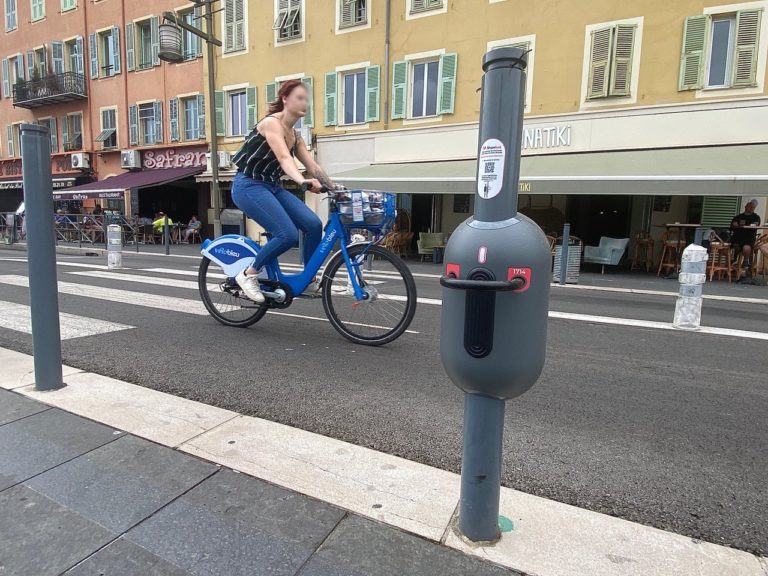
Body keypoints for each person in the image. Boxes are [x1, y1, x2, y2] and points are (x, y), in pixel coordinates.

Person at [230, 79, 337, 303]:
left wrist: (335, 187)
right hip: (248, 185)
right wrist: (301, 181)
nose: (304, 102)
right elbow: (283, 157)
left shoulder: (295, 135)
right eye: (299, 97)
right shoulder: (272, 124)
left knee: (313, 224)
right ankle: (249, 274)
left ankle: (308, 278)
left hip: (271, 187)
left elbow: (313, 166)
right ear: (285, 99)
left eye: (306, 99)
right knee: (286, 234)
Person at [730, 199, 761, 278]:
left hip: (749, 239)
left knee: (746, 247)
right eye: (750, 206)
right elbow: (732, 226)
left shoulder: (756, 217)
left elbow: (756, 226)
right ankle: (735, 259)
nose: (751, 208)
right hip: (737, 238)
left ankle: (745, 262)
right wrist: (734, 224)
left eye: (753, 207)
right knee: (734, 245)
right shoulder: (738, 217)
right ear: (746, 206)